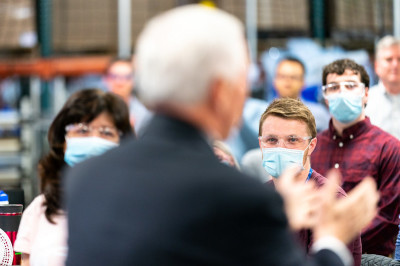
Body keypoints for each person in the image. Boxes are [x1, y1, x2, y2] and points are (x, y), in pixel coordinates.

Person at [65, 5, 379, 266]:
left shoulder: (85, 180)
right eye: (242, 78)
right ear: (220, 91)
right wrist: (332, 239)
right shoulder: (237, 197)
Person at [14, 89, 133, 266]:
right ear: (63, 142)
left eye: (106, 132)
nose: (94, 140)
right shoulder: (40, 209)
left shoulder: (137, 211)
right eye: (82, 130)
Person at [311, 58, 400, 256]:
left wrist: (335, 241)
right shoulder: (312, 147)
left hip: (370, 257)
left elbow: (387, 218)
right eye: (333, 87)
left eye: (351, 86)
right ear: (325, 96)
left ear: (366, 93)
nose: (342, 93)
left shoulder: (389, 148)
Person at [259, 97, 361, 266]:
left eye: (292, 140)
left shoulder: (330, 201)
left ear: (311, 145)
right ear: (261, 144)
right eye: (271, 140)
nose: (281, 148)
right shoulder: (259, 198)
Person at [241, 57, 330, 181]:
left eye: (293, 77)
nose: (287, 82)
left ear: (303, 82)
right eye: (282, 76)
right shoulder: (256, 112)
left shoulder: (319, 115)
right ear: (274, 80)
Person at [104, 57, 152, 135]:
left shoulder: (144, 115)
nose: (119, 82)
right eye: (114, 76)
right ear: (105, 79)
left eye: (127, 77)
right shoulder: (94, 110)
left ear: (134, 81)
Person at [365, 35, 400, 139]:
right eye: (389, 59)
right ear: (377, 66)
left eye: (399, 59)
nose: (395, 65)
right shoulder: (365, 102)